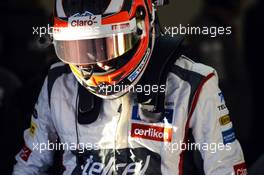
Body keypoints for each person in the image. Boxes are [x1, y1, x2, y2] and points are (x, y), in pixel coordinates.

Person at [13, 0, 247, 174]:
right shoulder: (58, 83)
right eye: (80, 47)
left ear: (140, 28)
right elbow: (29, 166)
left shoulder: (193, 84)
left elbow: (226, 168)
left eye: (108, 44)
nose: (98, 62)